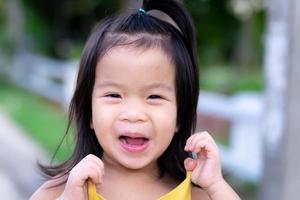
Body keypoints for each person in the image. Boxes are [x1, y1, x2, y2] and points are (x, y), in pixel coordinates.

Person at [30, 0, 241, 199]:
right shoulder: (61, 191)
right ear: (89, 111)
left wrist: (215, 185)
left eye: (154, 97)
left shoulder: (195, 194)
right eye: (114, 95)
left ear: (180, 115)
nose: (134, 114)